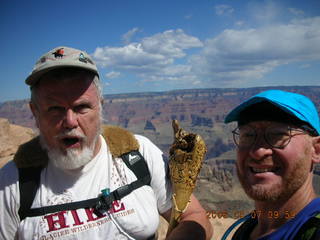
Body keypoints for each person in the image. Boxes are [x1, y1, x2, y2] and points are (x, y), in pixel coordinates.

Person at [0, 46, 212, 240]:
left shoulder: (138, 154)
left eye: (82, 107)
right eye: (54, 109)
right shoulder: (12, 184)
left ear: (100, 107)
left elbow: (193, 215)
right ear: (34, 112)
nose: (70, 122)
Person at [224, 89, 320, 239]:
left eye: (277, 135)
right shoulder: (245, 229)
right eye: (248, 135)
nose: (257, 152)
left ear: (316, 150)